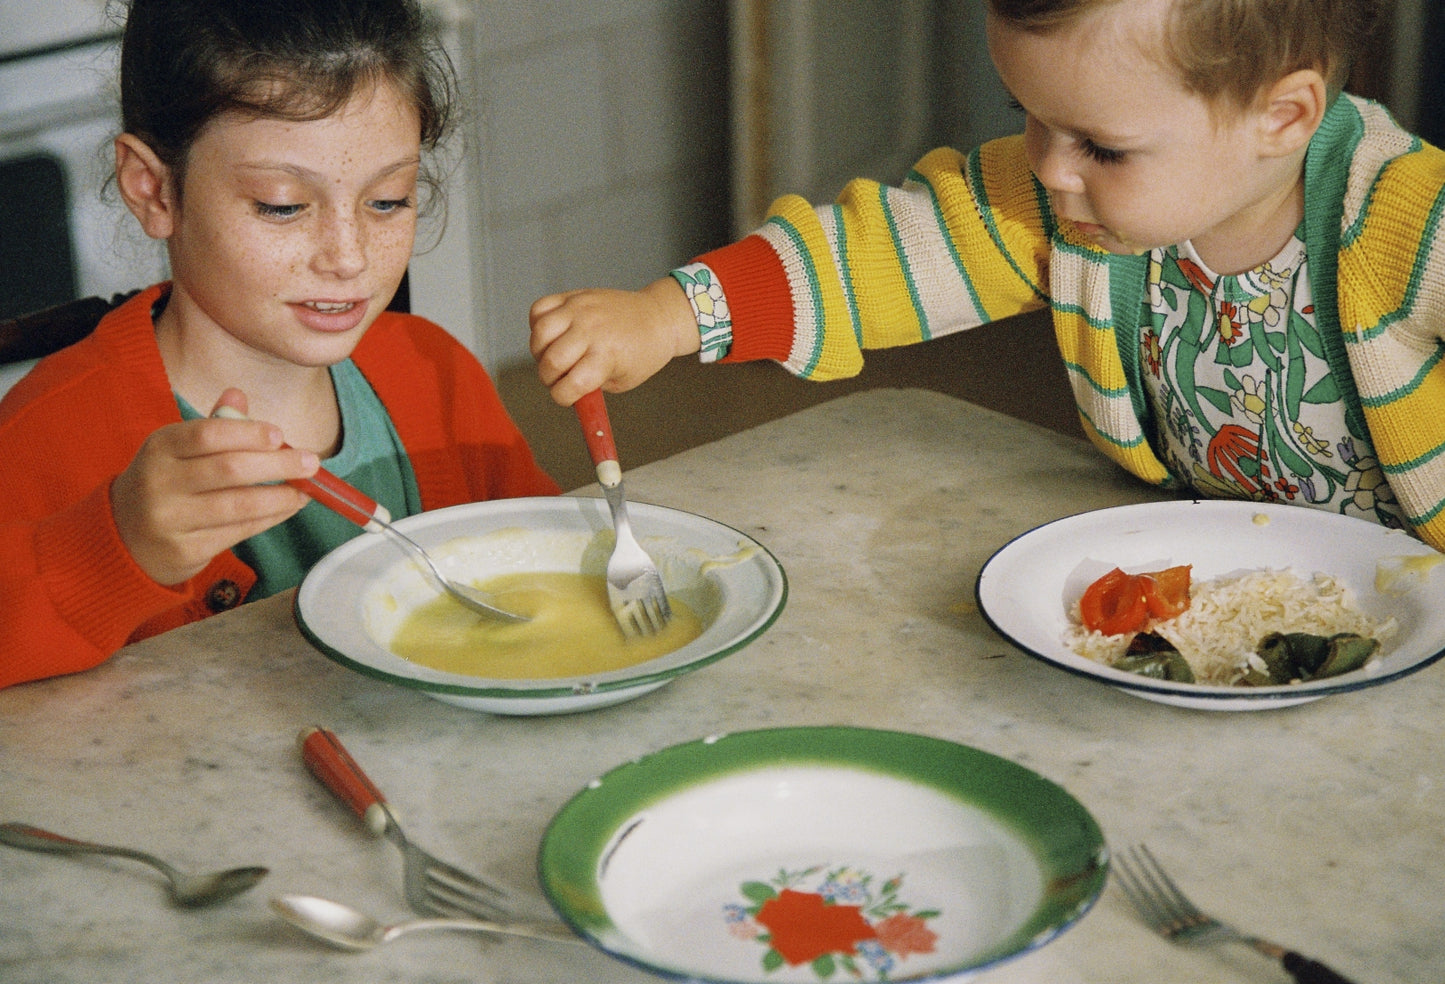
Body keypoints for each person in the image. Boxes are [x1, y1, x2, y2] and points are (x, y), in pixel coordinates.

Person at [531, 0, 1445, 552]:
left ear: (1281, 118)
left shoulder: (1401, 220)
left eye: (1101, 145)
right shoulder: (1067, 206)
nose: (1049, 167)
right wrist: (669, 315)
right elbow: (883, 251)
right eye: (1029, 115)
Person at [0, 0, 559, 690]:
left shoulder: (434, 372)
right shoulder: (42, 436)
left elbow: (542, 567)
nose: (348, 257)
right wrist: (111, 548)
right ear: (154, 190)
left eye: (387, 200)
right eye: (282, 205)